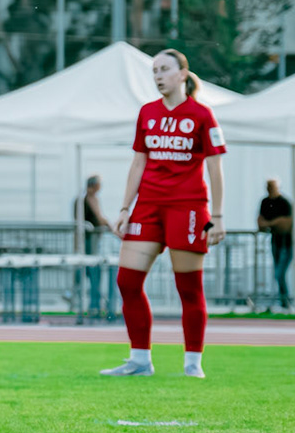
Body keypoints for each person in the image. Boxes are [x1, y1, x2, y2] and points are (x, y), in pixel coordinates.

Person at [104, 48, 226, 379]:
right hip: (149, 206)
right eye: (154, 70)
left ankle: (192, 364)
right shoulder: (147, 113)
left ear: (182, 74)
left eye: (164, 69)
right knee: (127, 281)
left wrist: (218, 216)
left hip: (187, 205)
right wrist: (125, 207)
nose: (158, 76)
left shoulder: (201, 114)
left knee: (188, 288)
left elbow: (215, 166)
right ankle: (140, 360)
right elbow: (139, 161)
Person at [257, 179, 295, 310]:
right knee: (278, 272)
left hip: (287, 243)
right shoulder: (265, 202)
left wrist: (270, 223)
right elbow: (260, 222)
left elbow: (286, 224)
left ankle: (285, 299)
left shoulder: (285, 202)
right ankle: (283, 300)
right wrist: (275, 223)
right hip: (275, 242)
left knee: (280, 273)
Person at [76, 175, 111, 315]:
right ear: (95, 185)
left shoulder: (86, 199)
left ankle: (93, 304)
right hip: (89, 242)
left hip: (90, 242)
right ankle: (93, 305)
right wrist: (111, 226)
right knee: (92, 272)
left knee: (91, 273)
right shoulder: (87, 200)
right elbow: (99, 218)